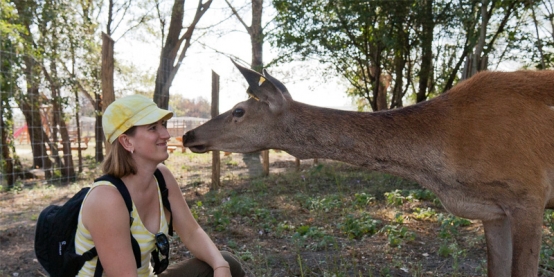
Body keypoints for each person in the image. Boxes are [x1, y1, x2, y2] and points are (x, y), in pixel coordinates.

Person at [75, 94, 245, 277]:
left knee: (227, 262)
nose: (166, 134)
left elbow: (191, 232)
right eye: (152, 128)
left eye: (162, 125)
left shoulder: (161, 177)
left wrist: (221, 267)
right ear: (126, 141)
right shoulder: (106, 199)